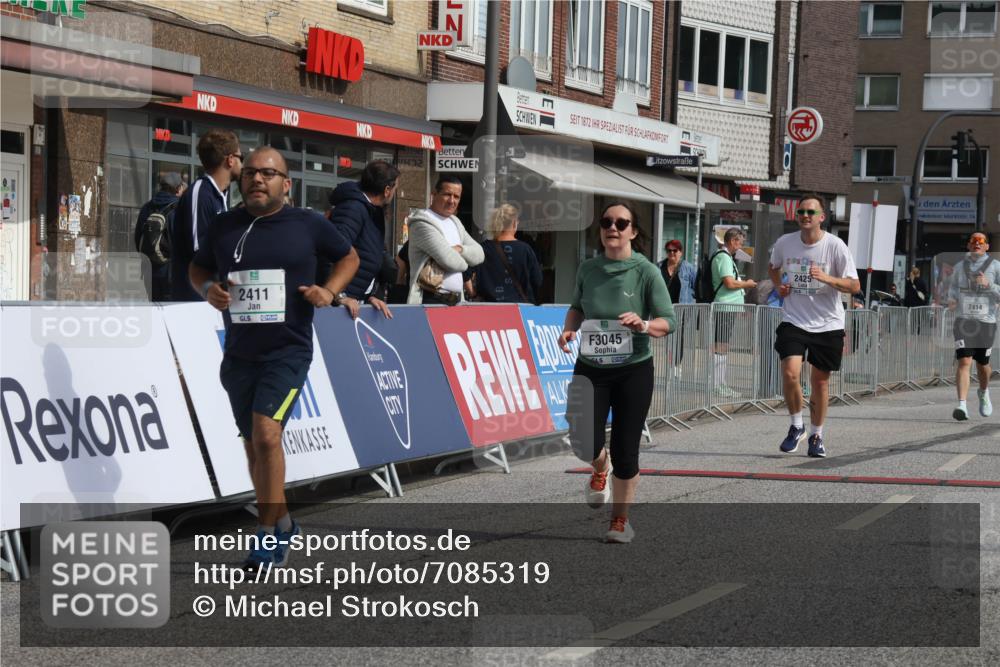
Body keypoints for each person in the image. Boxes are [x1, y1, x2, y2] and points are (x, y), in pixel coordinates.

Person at [189, 147, 360, 568]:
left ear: (287, 184)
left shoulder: (307, 225)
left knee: (267, 436)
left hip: (288, 350)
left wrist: (330, 291)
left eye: (268, 173)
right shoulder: (225, 225)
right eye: (250, 172)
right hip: (239, 354)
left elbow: (349, 257)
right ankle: (282, 520)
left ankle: (266, 536)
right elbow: (196, 269)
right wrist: (206, 289)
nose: (257, 179)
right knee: (253, 446)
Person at [558, 202, 675, 544]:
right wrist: (569, 329)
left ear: (633, 232)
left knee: (627, 448)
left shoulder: (646, 272)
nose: (613, 227)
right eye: (607, 222)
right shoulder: (588, 269)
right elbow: (578, 306)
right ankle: (599, 467)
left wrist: (644, 323)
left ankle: (620, 521)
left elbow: (669, 320)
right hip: (591, 366)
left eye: (621, 223)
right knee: (582, 439)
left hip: (633, 370)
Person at [769, 195, 860, 458]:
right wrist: (779, 286)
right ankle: (796, 426)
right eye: (801, 212)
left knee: (819, 381)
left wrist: (827, 278)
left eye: (811, 212)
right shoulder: (785, 243)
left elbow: (854, 286)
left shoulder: (835, 246)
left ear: (822, 217)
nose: (805, 215)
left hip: (827, 322)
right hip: (794, 319)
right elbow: (773, 267)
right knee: (790, 372)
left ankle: (816, 434)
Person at [171, 128, 243, 301]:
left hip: (212, 298)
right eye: (242, 158)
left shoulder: (219, 195)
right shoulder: (200, 193)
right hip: (194, 302)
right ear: (231, 160)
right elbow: (199, 251)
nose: (243, 164)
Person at [326, 160, 399, 319]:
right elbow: (331, 252)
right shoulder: (353, 208)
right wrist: (338, 295)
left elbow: (369, 255)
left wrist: (369, 295)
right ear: (387, 190)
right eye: (395, 189)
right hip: (338, 307)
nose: (394, 195)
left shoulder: (373, 211)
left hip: (357, 302)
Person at [405, 175, 484, 305]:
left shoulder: (455, 222)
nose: (452, 201)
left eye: (456, 196)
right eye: (447, 194)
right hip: (430, 299)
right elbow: (450, 261)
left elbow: (480, 254)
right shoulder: (421, 222)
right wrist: (465, 263)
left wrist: (459, 249)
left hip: (456, 301)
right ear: (434, 194)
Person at [947, 232, 1000, 421]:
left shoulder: (995, 266)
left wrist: (989, 285)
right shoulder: (960, 267)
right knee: (965, 361)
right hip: (964, 321)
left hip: (986, 322)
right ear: (969, 245)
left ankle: (984, 392)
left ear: (986, 246)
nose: (977, 243)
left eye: (981, 241)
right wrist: (951, 299)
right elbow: (952, 289)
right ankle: (962, 405)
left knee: (982, 363)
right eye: (973, 241)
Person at [711, 228, 756, 397]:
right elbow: (729, 283)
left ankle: (720, 383)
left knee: (723, 345)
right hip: (724, 306)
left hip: (728, 306)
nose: (741, 247)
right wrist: (747, 284)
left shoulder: (727, 257)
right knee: (720, 345)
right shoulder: (723, 257)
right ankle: (718, 384)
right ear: (732, 241)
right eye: (740, 243)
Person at [470, 204, 542, 303]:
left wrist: (473, 295)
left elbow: (465, 274)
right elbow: (537, 281)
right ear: (514, 224)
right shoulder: (526, 249)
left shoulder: (483, 248)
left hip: (488, 307)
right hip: (520, 308)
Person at [134, 172, 184, 301]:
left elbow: (138, 238)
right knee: (171, 313)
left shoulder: (147, 207)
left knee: (154, 311)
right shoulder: (179, 209)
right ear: (178, 189)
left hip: (149, 271)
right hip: (171, 273)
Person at [659, 239, 697, 304]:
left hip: (682, 310)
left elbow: (696, 288)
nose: (672, 253)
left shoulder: (688, 268)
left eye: (675, 250)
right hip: (663, 308)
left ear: (680, 252)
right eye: (669, 250)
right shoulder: (658, 267)